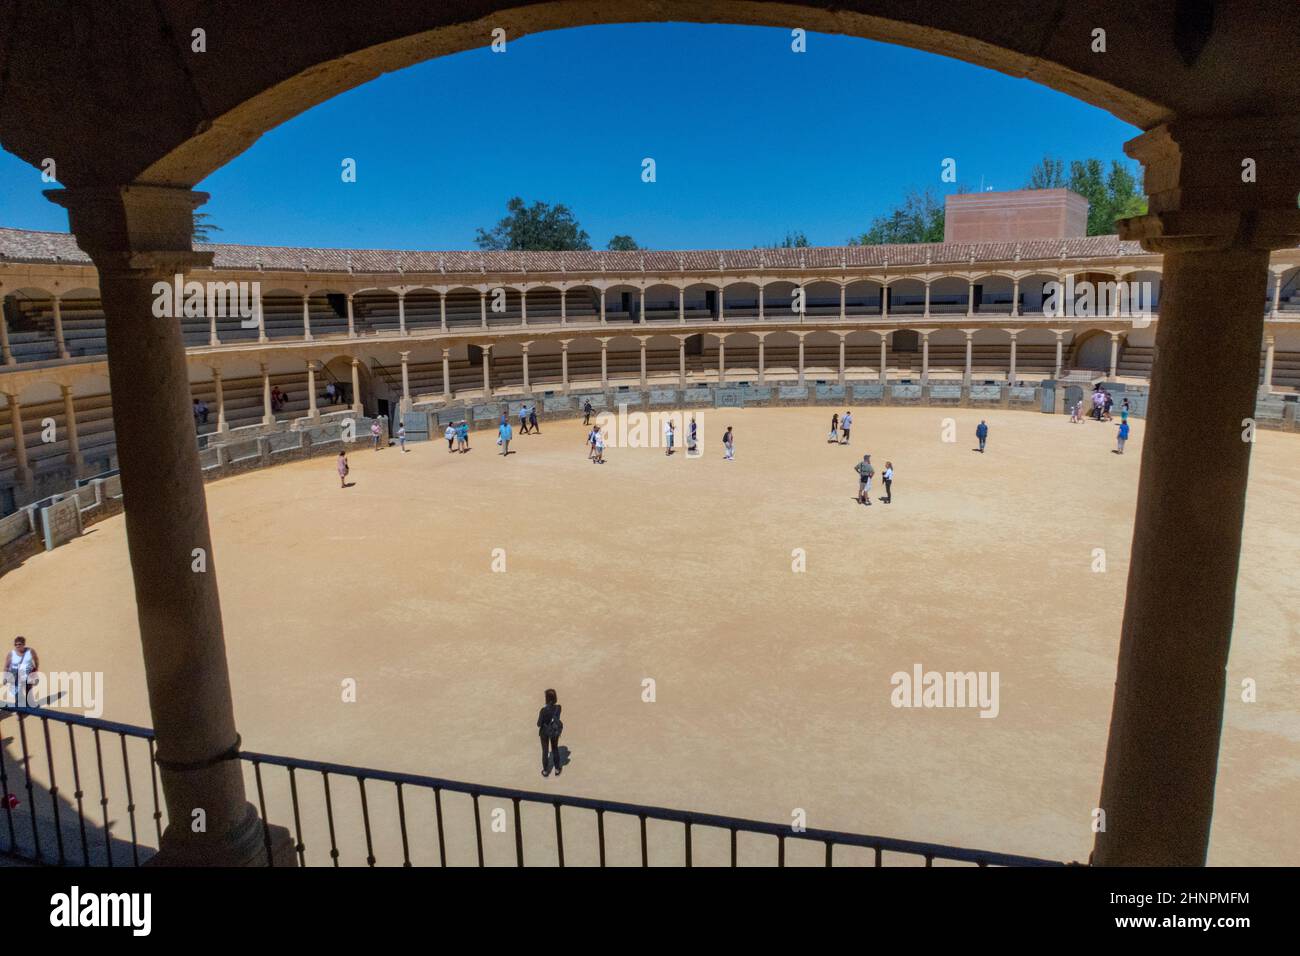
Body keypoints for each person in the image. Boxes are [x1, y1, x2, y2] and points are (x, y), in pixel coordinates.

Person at [4, 636, 39, 708]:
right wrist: (5, 677)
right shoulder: (11, 654)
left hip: (27, 674)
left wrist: (35, 670)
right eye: (16, 644)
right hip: (15, 675)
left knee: (29, 690)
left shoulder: (30, 651)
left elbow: (36, 660)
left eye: (19, 644)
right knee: (17, 692)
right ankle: (19, 707)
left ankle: (30, 704)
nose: (17, 646)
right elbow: (6, 666)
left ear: (24, 644)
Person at [537, 689, 563, 778]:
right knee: (555, 749)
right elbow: (556, 717)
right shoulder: (558, 708)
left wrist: (545, 710)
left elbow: (538, 724)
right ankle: (557, 769)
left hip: (544, 732)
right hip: (553, 731)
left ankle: (545, 771)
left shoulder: (543, 710)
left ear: (546, 699)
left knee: (545, 751)